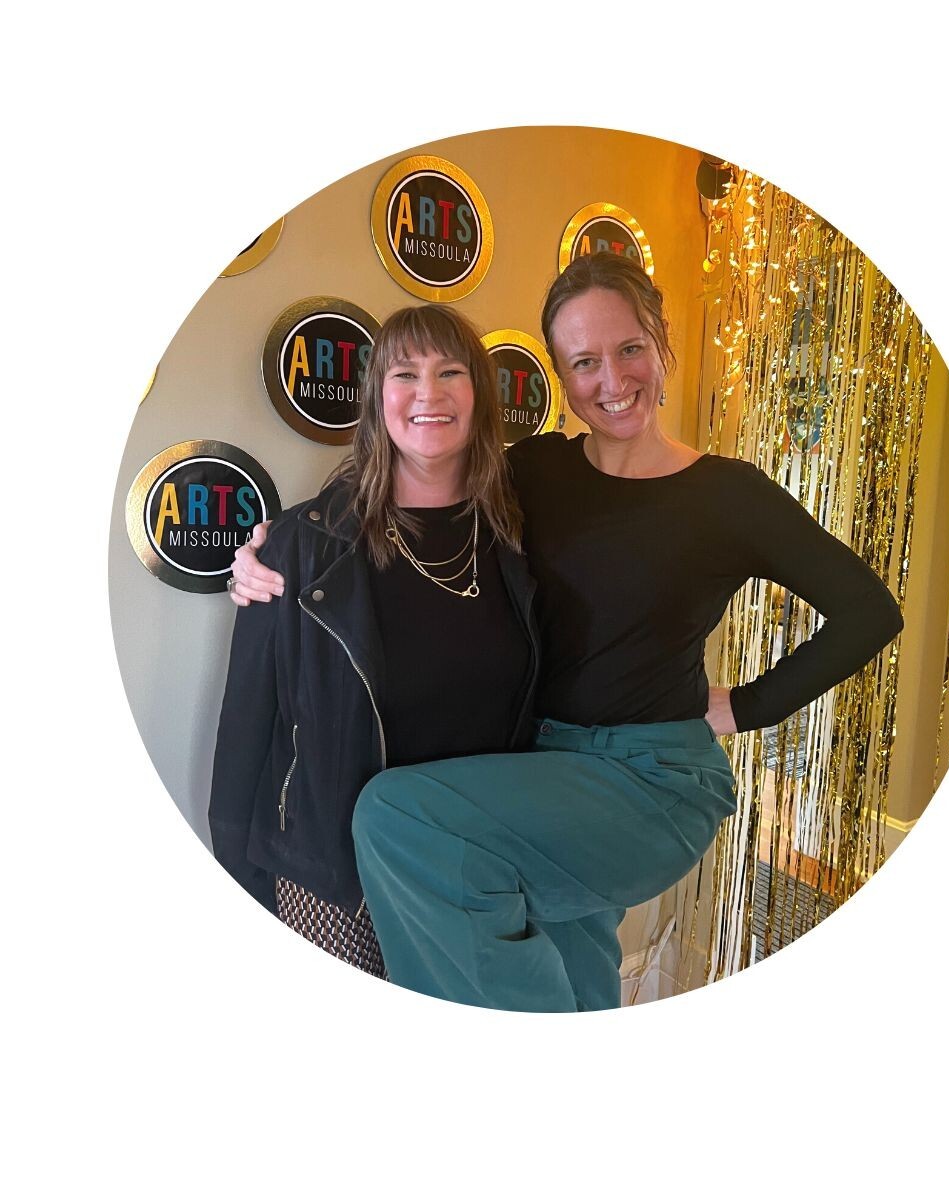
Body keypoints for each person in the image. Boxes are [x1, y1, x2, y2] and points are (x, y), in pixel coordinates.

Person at [228, 252, 903, 1011]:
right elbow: (416, 464)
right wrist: (280, 547)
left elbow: (869, 611)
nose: (612, 380)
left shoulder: (728, 495)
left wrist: (746, 706)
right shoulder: (535, 472)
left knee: (394, 816)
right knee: (579, 981)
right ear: (561, 374)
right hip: (542, 768)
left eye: (630, 349)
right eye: (584, 362)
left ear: (662, 343)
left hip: (652, 781)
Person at [209, 304, 540, 979]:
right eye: (404, 374)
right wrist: (236, 881)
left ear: (480, 394)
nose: (428, 393)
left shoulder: (519, 538)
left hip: (474, 869)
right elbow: (246, 726)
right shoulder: (301, 547)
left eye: (450, 372)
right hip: (335, 878)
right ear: (376, 398)